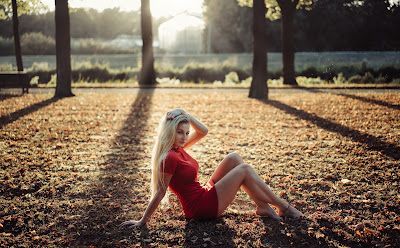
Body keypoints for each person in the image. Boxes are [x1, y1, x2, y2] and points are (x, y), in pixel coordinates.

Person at [120, 109, 302, 228]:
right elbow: (160, 192)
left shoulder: (178, 148)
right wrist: (142, 221)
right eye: (179, 132)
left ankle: (263, 206)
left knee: (234, 158)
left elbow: (203, 132)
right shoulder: (170, 157)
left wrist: (186, 115)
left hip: (203, 193)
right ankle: (283, 206)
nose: (184, 137)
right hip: (200, 208)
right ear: (170, 132)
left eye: (186, 132)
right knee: (244, 169)